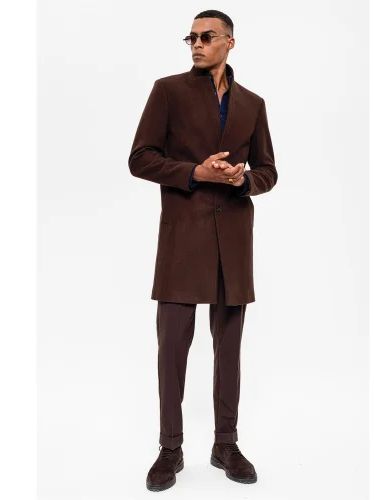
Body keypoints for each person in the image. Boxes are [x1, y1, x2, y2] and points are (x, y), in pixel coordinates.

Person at [128, 9, 278, 491]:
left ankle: (225, 444)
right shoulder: (167, 91)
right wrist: (195, 172)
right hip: (182, 238)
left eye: (207, 36)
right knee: (172, 347)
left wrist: (242, 180)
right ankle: (170, 449)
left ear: (229, 42)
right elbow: (140, 158)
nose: (196, 43)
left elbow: (269, 172)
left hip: (233, 240)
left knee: (228, 348)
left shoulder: (252, 104)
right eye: (191, 37)